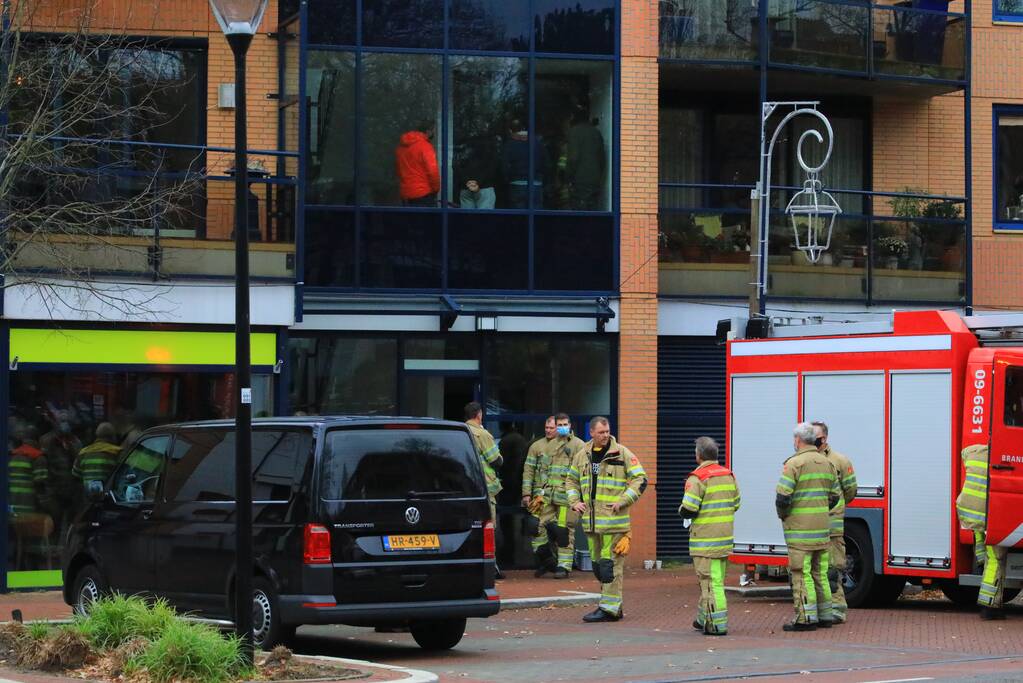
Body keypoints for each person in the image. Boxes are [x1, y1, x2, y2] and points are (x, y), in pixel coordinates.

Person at [565, 416, 647, 622]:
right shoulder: (582, 454)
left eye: (607, 431)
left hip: (614, 524)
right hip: (592, 524)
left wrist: (624, 500)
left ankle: (609, 609)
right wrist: (574, 501)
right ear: (591, 432)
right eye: (601, 432)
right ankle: (614, 605)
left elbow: (641, 478)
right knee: (598, 567)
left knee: (610, 567)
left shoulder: (622, 452)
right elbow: (571, 481)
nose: (605, 435)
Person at [776, 422, 842, 631]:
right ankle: (825, 616)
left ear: (798, 440)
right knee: (820, 574)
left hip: (799, 533)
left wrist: (784, 517)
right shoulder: (827, 463)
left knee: (801, 574)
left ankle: (805, 618)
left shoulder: (793, 464)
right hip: (822, 531)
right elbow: (834, 497)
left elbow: (783, 497)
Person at [679, 436, 740, 636]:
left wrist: (681, 509)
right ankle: (703, 617)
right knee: (715, 580)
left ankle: (717, 624)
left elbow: (689, 508)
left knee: (711, 583)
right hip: (724, 539)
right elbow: (736, 503)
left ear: (698, 455)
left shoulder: (697, 478)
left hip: (705, 541)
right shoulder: (728, 475)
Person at [522, 414, 585, 579]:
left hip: (567, 497)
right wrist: (527, 493)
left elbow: (584, 473)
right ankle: (546, 559)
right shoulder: (544, 446)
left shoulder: (579, 445)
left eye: (565, 424)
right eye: (559, 425)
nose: (561, 427)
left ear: (570, 425)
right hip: (545, 495)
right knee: (534, 525)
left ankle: (563, 566)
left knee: (564, 531)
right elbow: (532, 471)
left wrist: (581, 497)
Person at [812, 421, 858, 625]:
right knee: (813, 569)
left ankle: (837, 609)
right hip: (811, 526)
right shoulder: (805, 460)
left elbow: (850, 490)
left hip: (831, 525)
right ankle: (819, 608)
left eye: (817, 437)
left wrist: (836, 508)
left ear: (825, 438)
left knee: (832, 569)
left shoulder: (840, 460)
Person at [955, 440, 1005, 619]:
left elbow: (963, 454)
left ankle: (980, 558)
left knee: (983, 546)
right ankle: (989, 606)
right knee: (996, 559)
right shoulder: (998, 461)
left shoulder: (973, 452)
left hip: (972, 513)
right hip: (987, 514)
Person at [464, 402, 504, 578]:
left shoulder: (460, 431)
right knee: (489, 528)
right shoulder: (482, 434)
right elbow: (496, 460)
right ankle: (492, 568)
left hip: (466, 488)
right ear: (479, 414)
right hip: (485, 488)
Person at [566, 110, 605, 210]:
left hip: (580, 178)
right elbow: (602, 158)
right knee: (592, 208)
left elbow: (573, 158)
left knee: (579, 209)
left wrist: (569, 176)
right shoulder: (596, 132)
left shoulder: (574, 132)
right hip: (594, 179)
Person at [395, 121, 440, 207]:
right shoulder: (425, 146)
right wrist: (435, 189)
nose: (434, 133)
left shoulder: (401, 147)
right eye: (433, 130)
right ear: (428, 131)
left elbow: (399, 170)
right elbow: (433, 171)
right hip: (423, 194)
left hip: (405, 194)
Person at [72, 422, 122, 496]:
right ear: (112, 436)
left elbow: (76, 474)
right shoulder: (117, 452)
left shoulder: (83, 452)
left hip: (89, 498)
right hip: (109, 497)